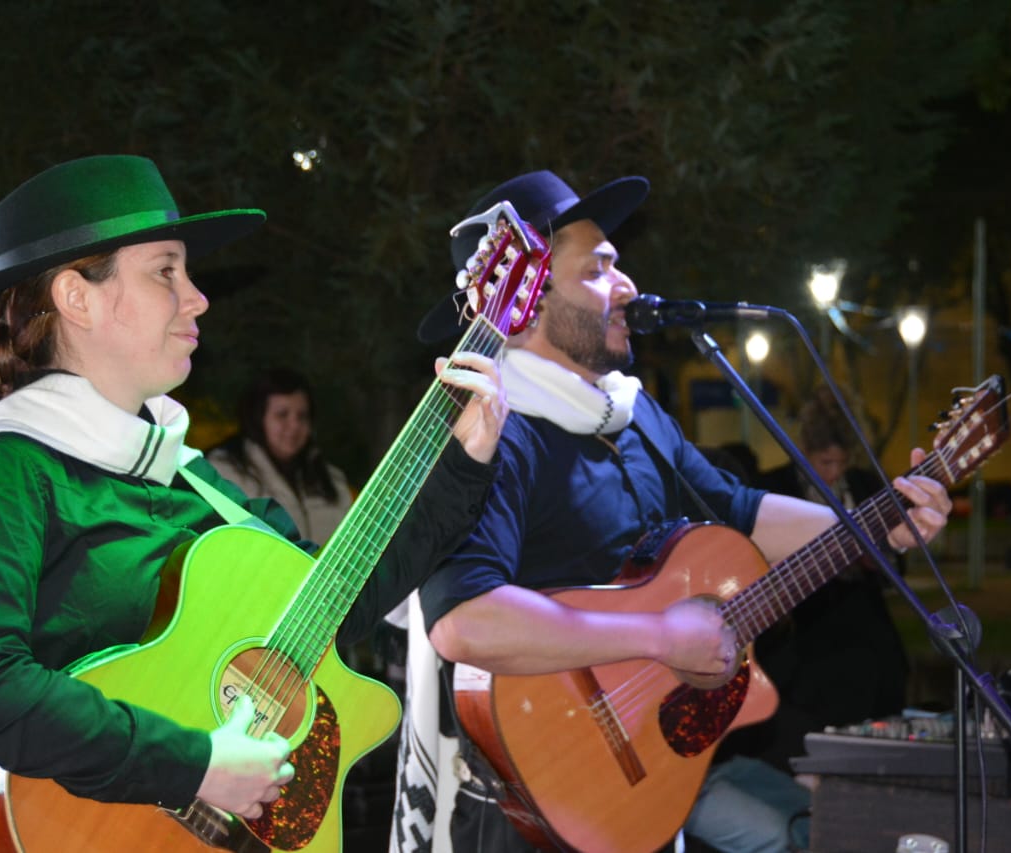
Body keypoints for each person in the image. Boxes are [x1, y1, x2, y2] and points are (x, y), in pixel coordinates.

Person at [0, 154, 507, 852]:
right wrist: (195, 762)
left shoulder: (179, 467)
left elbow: (327, 605)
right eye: (166, 271)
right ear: (79, 297)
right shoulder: (9, 466)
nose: (196, 298)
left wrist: (461, 463)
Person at [407, 169, 953, 853]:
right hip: (531, 821)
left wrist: (883, 523)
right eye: (600, 268)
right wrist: (659, 636)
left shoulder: (631, 416)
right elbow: (464, 621)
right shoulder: (487, 434)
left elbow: (740, 512)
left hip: (640, 795)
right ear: (528, 297)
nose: (627, 286)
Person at [730, 386, 911, 774]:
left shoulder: (865, 486)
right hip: (805, 644)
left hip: (867, 635)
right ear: (805, 454)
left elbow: (898, 565)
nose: (833, 472)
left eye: (840, 463)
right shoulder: (775, 487)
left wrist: (879, 558)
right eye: (824, 462)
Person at [208, 367, 353, 542]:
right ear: (258, 418)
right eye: (282, 415)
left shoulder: (331, 480)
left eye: (302, 416)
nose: (294, 426)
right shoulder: (225, 472)